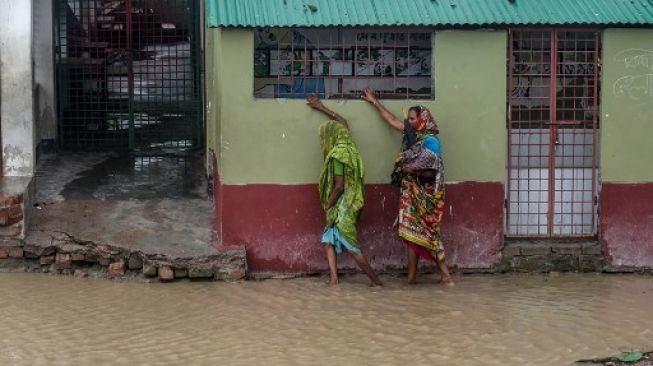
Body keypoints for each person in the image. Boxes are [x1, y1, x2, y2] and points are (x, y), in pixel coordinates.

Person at [361, 88, 455, 287]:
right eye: (409, 119)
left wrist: (409, 167)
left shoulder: (431, 141)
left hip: (427, 197)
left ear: (423, 119)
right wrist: (374, 102)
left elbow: (431, 170)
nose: (409, 122)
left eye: (412, 119)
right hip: (412, 194)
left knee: (430, 233)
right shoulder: (415, 137)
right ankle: (411, 278)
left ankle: (445, 275)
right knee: (411, 234)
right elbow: (392, 121)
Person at [306, 95, 383, 287]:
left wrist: (328, 203)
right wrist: (321, 107)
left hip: (342, 205)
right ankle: (334, 279)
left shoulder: (337, 156)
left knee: (352, 246)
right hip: (349, 200)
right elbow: (343, 122)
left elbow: (339, 186)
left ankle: (376, 281)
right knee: (328, 240)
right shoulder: (348, 145)